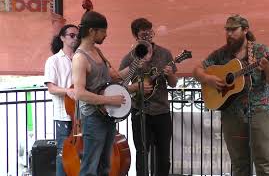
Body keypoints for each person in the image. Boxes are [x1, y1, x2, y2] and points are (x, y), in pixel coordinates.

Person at [193, 14, 269, 176]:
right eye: (227, 30)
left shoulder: (261, 50)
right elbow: (197, 69)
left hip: (258, 111)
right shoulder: (222, 53)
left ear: (245, 30)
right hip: (232, 114)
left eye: (233, 30)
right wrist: (208, 78)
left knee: (264, 164)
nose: (229, 34)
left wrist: (267, 67)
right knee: (239, 164)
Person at [119, 18, 178, 176]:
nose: (148, 37)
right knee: (142, 155)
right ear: (135, 36)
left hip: (162, 112)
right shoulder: (130, 57)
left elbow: (173, 84)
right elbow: (119, 86)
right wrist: (136, 88)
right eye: (143, 34)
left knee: (163, 157)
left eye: (149, 33)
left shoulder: (165, 53)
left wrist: (171, 74)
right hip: (140, 112)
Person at [72, 11, 127, 176]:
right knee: (90, 168)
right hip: (93, 119)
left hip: (107, 116)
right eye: (103, 31)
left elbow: (114, 77)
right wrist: (109, 100)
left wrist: (137, 62)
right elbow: (80, 93)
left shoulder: (98, 52)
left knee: (105, 166)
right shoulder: (80, 58)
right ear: (91, 31)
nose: (106, 35)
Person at [44, 24, 79, 176]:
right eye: (72, 35)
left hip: (83, 115)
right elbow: (51, 88)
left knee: (83, 153)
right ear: (62, 38)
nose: (75, 38)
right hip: (64, 116)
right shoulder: (53, 60)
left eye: (78, 35)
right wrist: (68, 91)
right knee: (63, 154)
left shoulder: (81, 58)